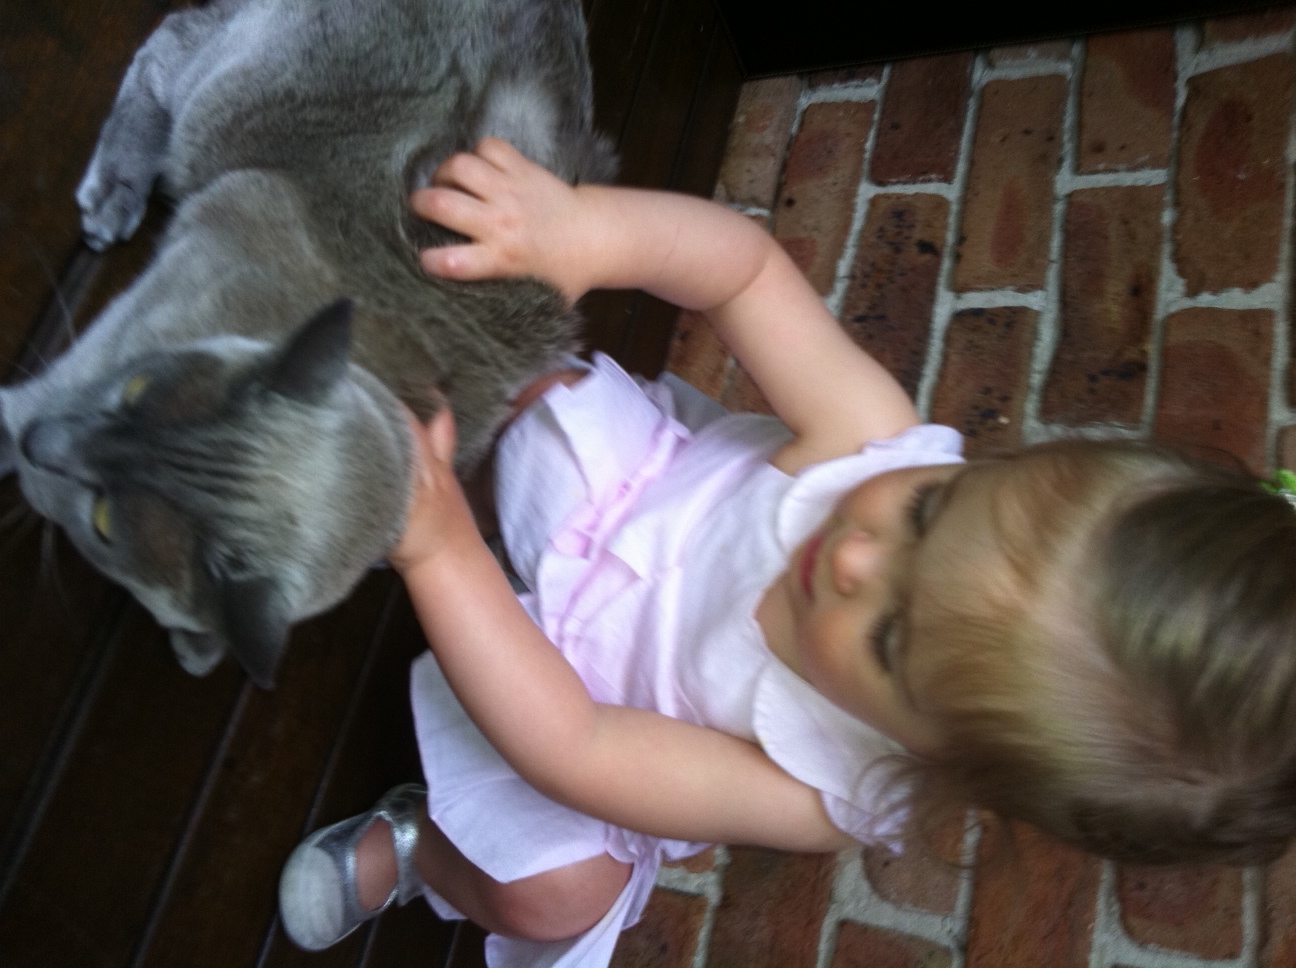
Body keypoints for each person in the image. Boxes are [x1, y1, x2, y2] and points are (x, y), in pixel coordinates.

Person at [277, 138, 1296, 967]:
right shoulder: (869, 436)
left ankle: (426, 847)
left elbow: (578, 744)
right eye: (932, 512)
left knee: (552, 893)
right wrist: (589, 229)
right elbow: (746, 270)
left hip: (585, 705)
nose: (856, 556)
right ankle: (430, 473)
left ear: (946, 757)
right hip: (622, 510)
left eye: (891, 638)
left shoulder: (828, 788)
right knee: (544, 394)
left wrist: (443, 556)